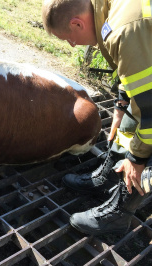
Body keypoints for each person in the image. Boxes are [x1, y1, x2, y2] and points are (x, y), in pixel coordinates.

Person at [41, 0, 152, 235]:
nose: (72, 45)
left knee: (145, 151)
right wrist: (122, 103)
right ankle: (110, 177)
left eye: (68, 38)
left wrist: (138, 158)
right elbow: (141, 68)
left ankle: (120, 212)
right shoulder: (111, 9)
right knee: (131, 117)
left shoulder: (124, 30)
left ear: (77, 23)